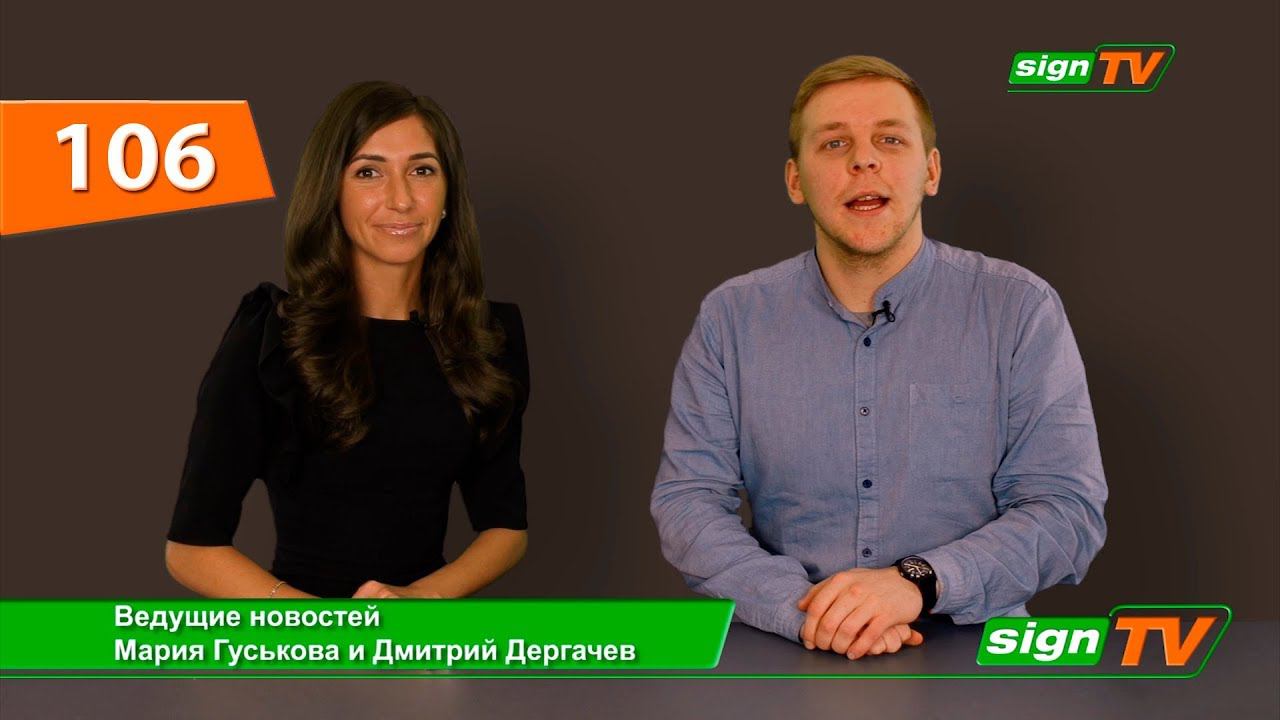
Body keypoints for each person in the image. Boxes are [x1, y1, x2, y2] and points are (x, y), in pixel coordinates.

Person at [651, 56, 1107, 660]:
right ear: (795, 181)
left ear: (930, 170)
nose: (863, 160)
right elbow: (687, 504)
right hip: (791, 652)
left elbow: (1067, 510)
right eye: (834, 143)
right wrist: (809, 611)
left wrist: (916, 583)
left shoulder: (1020, 308)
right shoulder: (729, 319)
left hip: (977, 655)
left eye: (890, 139)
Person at [165, 81, 529, 600]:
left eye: (422, 170)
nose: (401, 199)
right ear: (331, 192)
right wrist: (321, 626)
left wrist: (420, 600)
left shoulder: (486, 336)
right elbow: (190, 549)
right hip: (295, 635)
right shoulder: (270, 336)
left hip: (422, 637)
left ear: (449, 193)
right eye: (368, 172)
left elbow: (506, 528)